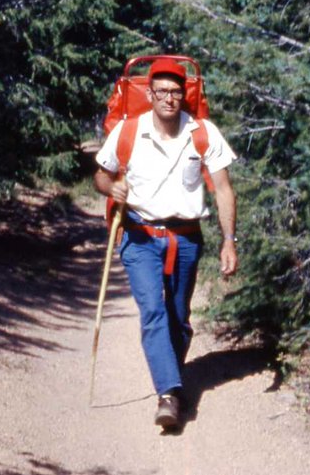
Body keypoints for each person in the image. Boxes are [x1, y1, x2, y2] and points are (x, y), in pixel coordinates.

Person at [93, 57, 237, 429]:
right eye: (161, 92)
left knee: (179, 320)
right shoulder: (128, 131)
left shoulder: (203, 132)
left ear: (184, 94)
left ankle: (169, 373)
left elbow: (222, 188)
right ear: (150, 93)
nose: (169, 99)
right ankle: (169, 395)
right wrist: (112, 187)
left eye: (176, 91)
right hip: (139, 235)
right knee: (153, 312)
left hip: (186, 238)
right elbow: (100, 176)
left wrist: (229, 241)